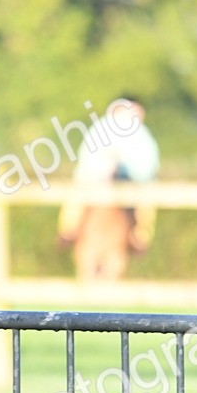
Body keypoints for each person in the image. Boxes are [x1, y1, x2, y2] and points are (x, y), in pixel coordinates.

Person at [57, 96, 160, 280]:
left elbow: (146, 165)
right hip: (97, 178)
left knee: (145, 202)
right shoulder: (101, 129)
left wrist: (125, 171)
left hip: (127, 181)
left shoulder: (141, 134)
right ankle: (68, 229)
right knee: (75, 197)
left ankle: (140, 236)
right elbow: (88, 157)